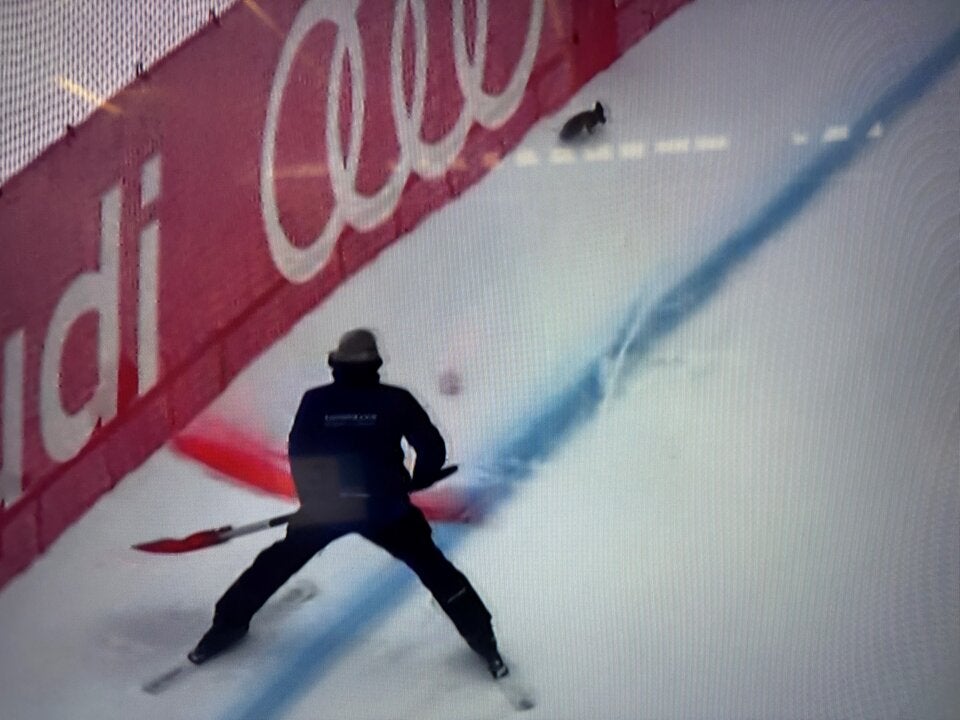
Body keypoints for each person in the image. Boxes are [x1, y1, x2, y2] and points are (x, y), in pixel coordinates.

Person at [188, 328, 508, 678]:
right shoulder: (396, 400)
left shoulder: (315, 401)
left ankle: (226, 626)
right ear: (375, 364)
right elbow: (431, 447)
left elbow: (300, 452)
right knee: (435, 569)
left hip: (327, 511)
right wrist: (419, 478)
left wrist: (314, 500)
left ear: (336, 363)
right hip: (387, 511)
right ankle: (483, 640)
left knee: (274, 564)